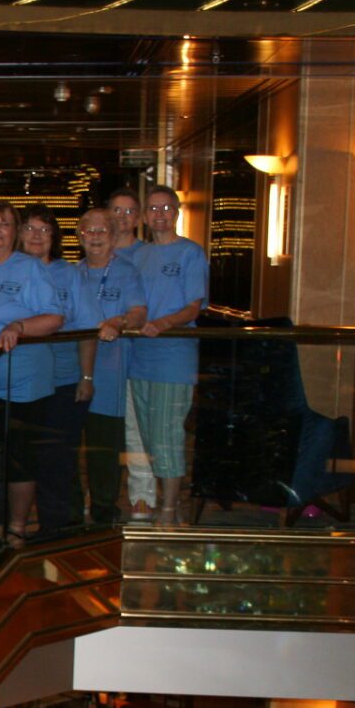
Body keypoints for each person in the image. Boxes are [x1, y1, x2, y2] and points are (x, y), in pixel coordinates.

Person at [0, 201, 63, 548]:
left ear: (15, 232)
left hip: (26, 385)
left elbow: (54, 318)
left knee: (20, 460)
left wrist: (19, 326)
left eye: (4, 224)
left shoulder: (30, 269)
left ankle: (16, 527)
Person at [124, 184, 208, 527]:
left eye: (166, 209)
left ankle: (171, 509)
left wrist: (163, 323)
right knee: (147, 438)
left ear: (177, 213)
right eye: (153, 209)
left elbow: (193, 307)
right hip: (138, 359)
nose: (160, 215)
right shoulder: (137, 255)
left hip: (173, 360)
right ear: (144, 216)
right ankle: (158, 502)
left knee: (169, 436)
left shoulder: (190, 253)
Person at [21, 204, 89, 538]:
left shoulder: (70, 274)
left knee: (56, 459)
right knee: (21, 459)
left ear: (55, 237)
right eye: (30, 229)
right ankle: (16, 528)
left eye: (44, 230)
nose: (37, 236)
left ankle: (55, 528)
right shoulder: (9, 270)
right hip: (18, 381)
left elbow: (89, 328)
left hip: (62, 380)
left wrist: (86, 377)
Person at [79, 209, 149, 525]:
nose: (95, 237)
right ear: (79, 235)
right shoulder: (72, 272)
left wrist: (120, 321)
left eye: (102, 231)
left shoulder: (126, 272)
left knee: (104, 451)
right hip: (73, 372)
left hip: (109, 376)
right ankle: (71, 513)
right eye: (89, 231)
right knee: (65, 447)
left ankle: (104, 513)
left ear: (113, 235)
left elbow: (138, 312)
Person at [107, 186, 158, 522]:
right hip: (102, 360)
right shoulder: (95, 252)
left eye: (129, 212)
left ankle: (142, 497)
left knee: (137, 431)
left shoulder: (149, 256)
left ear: (138, 219)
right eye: (116, 210)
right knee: (103, 434)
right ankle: (102, 497)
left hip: (139, 356)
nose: (122, 218)